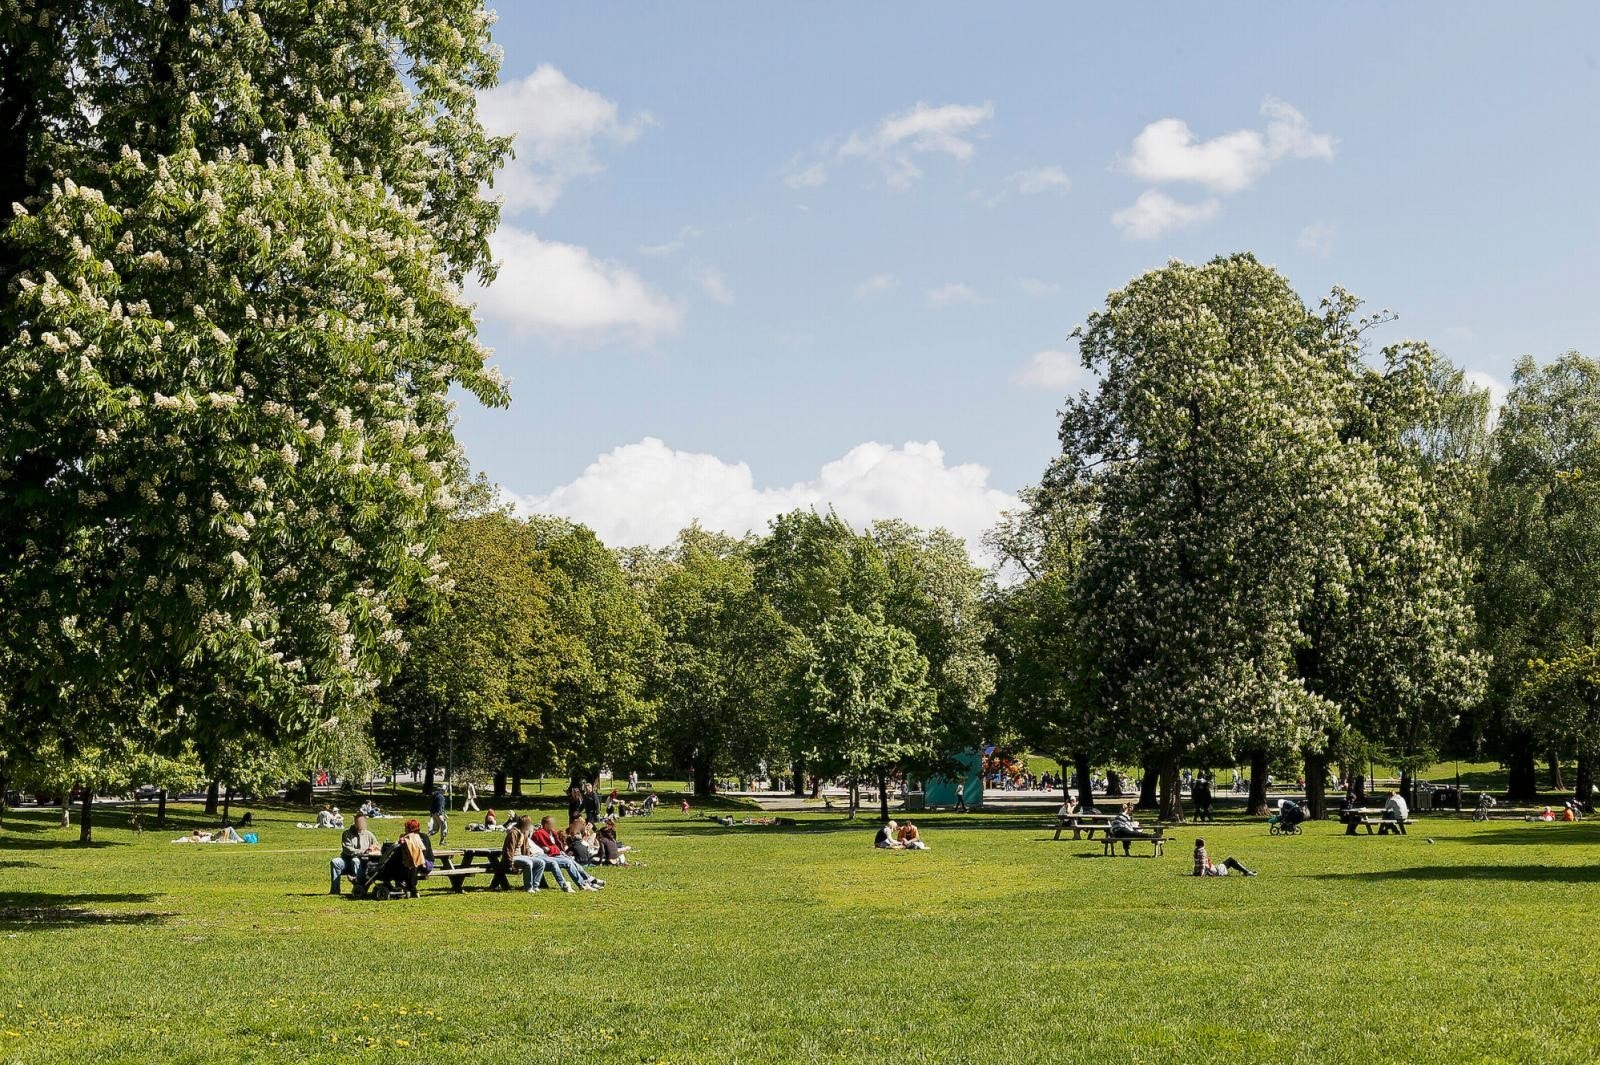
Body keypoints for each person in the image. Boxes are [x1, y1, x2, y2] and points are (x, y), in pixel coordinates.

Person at [532, 815, 603, 892]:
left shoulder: (553, 833)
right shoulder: (539, 833)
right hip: (549, 856)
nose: (553, 824)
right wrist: (556, 850)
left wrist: (560, 851)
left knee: (573, 862)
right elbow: (545, 849)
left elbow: (557, 846)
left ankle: (589, 882)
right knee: (569, 862)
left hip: (557, 854)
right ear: (545, 824)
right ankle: (586, 883)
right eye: (551, 823)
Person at [330, 813, 381, 894]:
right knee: (335, 862)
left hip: (364, 862)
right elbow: (348, 849)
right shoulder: (347, 834)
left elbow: (378, 846)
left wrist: (373, 849)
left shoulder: (369, 834)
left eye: (362, 822)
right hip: (346, 860)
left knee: (355, 860)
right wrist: (363, 851)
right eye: (358, 822)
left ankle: (358, 888)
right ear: (355, 822)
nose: (360, 824)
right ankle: (334, 891)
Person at [502, 815, 549, 893]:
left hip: (522, 856)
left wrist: (529, 856)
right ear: (524, 824)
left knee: (541, 862)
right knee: (528, 863)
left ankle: (535, 885)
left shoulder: (524, 833)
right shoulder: (513, 833)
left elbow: (526, 848)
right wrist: (510, 864)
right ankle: (528, 887)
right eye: (529, 824)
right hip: (513, 857)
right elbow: (508, 850)